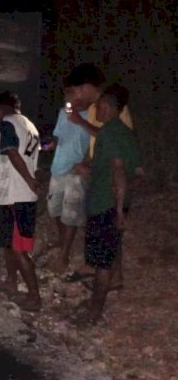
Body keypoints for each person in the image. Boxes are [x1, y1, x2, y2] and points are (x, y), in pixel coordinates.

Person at [74, 84, 141, 324]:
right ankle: (102, 297)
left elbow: (118, 170)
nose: (97, 110)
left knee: (101, 262)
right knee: (110, 252)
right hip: (115, 204)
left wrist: (118, 207)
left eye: (100, 106)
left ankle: (94, 311)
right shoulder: (127, 133)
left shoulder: (109, 132)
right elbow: (138, 172)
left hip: (105, 205)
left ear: (110, 107)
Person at [0, 91, 43, 312]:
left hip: (17, 195)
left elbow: (12, 153)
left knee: (19, 249)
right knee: (9, 245)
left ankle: (34, 297)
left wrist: (30, 181)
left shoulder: (7, 123)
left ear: (0, 110)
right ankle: (11, 281)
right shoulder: (30, 126)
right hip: (16, 195)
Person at [45, 81, 91, 274]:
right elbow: (57, 136)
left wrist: (86, 165)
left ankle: (64, 255)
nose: (69, 99)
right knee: (54, 209)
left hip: (75, 170)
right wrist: (48, 146)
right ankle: (64, 242)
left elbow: (97, 142)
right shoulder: (63, 113)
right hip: (58, 167)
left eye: (72, 94)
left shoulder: (91, 115)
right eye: (66, 96)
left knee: (70, 213)